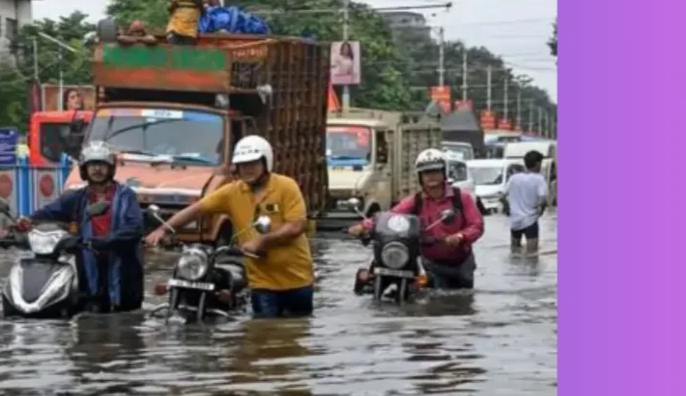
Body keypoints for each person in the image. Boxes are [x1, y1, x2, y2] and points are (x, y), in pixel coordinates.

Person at [144, 136, 316, 318]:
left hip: (298, 278)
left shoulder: (286, 186)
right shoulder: (232, 192)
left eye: (253, 163)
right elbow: (196, 210)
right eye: (243, 165)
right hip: (262, 282)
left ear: (266, 162)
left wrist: (261, 241)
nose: (247, 169)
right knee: (264, 334)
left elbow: (296, 226)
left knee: (298, 331)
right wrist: (163, 229)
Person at [12, 141, 145, 313]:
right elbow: (49, 212)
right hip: (89, 266)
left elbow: (135, 228)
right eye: (93, 165)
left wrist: (101, 241)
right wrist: (26, 221)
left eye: (102, 165)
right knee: (89, 314)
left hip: (124, 267)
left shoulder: (126, 196)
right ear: (84, 169)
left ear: (111, 168)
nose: (97, 169)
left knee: (126, 317)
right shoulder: (76, 198)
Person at [347, 149, 484, 289]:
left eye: (436, 171)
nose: (431, 176)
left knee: (461, 302)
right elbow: (390, 216)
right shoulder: (415, 201)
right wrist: (364, 226)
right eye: (426, 173)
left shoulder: (461, 198)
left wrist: (460, 236)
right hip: (429, 263)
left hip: (460, 263)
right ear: (420, 176)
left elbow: (477, 225)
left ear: (444, 172)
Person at [502, 150, 549, 253]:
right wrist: (540, 209)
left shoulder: (514, 178)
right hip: (530, 220)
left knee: (514, 253)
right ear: (537, 164)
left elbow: (503, 196)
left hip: (515, 221)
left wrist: (507, 208)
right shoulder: (539, 179)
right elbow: (542, 199)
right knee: (532, 255)